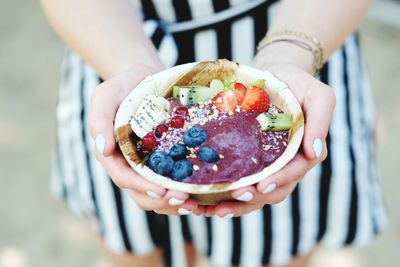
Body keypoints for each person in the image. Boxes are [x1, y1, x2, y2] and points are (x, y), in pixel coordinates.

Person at [41, 0, 387, 266]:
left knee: (275, 251)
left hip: (301, 44)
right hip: (115, 51)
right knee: (141, 252)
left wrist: (290, 58)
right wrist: (134, 70)